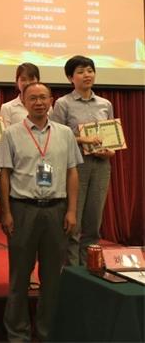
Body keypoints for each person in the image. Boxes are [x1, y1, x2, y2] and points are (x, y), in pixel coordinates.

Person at [0, 82, 81, 342]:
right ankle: (17, 334)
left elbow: (72, 172)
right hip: (23, 209)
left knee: (52, 279)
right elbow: (4, 174)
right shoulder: (11, 133)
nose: (38, 102)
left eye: (43, 97)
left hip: (56, 210)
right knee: (19, 278)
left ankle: (47, 333)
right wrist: (6, 212)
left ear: (51, 101)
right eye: (32, 98)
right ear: (23, 101)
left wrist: (71, 210)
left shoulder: (65, 133)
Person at [50, 55, 115, 266]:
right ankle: (71, 271)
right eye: (80, 71)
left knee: (94, 221)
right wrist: (81, 139)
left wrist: (110, 150)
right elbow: (55, 136)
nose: (87, 75)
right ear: (70, 77)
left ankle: (89, 270)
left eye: (90, 70)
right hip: (76, 166)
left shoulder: (105, 104)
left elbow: (111, 136)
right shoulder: (63, 103)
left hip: (101, 165)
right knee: (73, 222)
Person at [0, 62, 41, 127]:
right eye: (23, 79)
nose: (27, 83)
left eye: (31, 79)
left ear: (38, 81)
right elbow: (6, 132)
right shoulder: (7, 108)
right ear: (17, 82)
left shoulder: (46, 106)